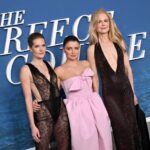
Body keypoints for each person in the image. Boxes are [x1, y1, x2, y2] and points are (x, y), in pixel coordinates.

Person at [87, 9, 142, 150]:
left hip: (126, 91)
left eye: (105, 21)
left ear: (110, 23)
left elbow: (128, 69)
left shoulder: (119, 42)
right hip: (110, 95)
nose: (103, 24)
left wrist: (133, 93)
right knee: (121, 129)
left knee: (132, 126)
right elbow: (95, 76)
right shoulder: (92, 49)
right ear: (94, 25)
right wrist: (96, 99)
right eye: (99, 21)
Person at [55, 35, 112, 150]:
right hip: (77, 110)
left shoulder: (86, 63)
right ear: (63, 49)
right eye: (69, 48)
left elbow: (95, 80)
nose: (73, 52)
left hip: (95, 105)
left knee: (104, 136)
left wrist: (96, 96)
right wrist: (38, 100)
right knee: (84, 142)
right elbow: (53, 94)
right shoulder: (59, 70)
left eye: (76, 48)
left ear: (79, 49)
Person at [20, 32, 70, 150]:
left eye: (43, 45)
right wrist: (33, 126)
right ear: (30, 48)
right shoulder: (26, 70)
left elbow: (56, 87)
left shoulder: (48, 64)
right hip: (43, 114)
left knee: (64, 147)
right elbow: (27, 98)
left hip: (60, 110)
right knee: (42, 147)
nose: (41, 49)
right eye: (37, 46)